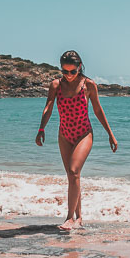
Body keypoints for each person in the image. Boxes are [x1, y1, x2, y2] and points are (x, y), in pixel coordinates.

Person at [36, 50, 118, 229]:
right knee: (73, 176)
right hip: (64, 134)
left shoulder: (88, 85)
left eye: (73, 71)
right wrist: (41, 128)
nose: (69, 75)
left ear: (80, 67)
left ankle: (69, 218)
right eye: (65, 71)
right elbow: (48, 107)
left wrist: (110, 134)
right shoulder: (56, 85)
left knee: (73, 172)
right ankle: (79, 217)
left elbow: (97, 110)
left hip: (84, 133)